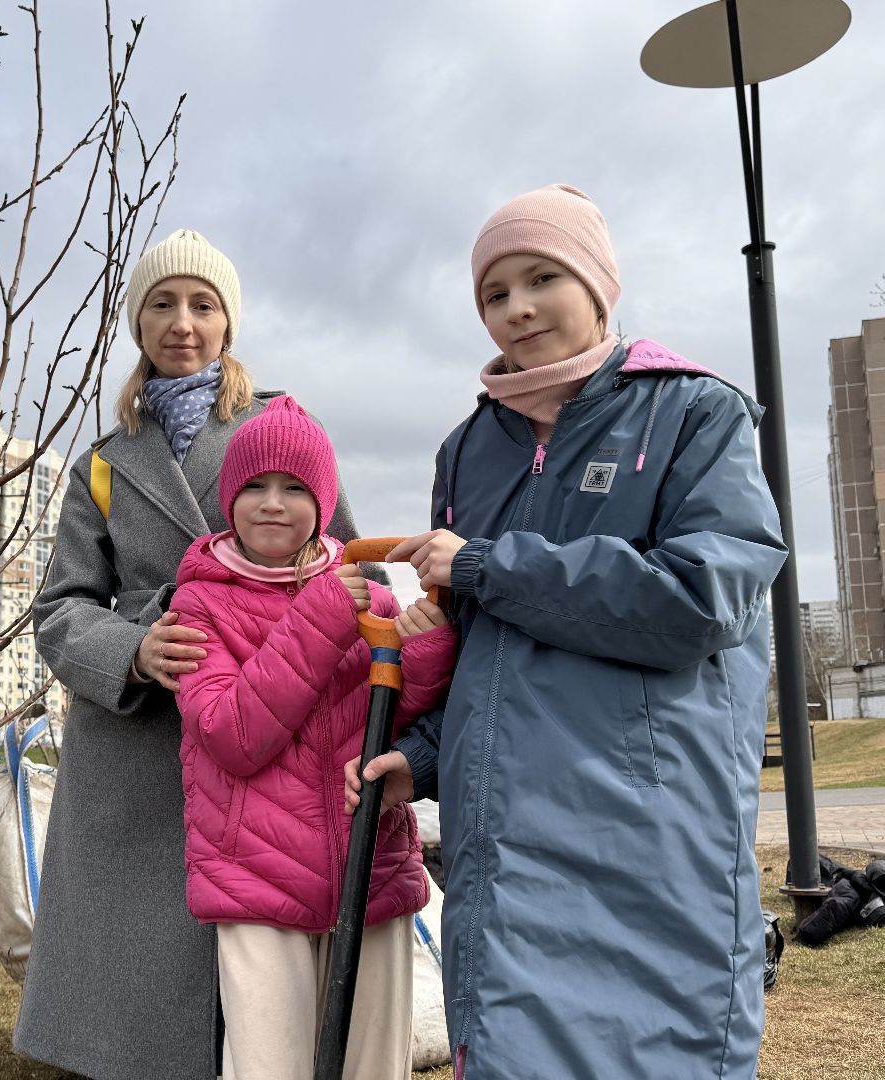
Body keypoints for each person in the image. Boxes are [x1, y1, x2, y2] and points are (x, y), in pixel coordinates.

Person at [349, 184, 788, 1079]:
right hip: (505, 847)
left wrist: (488, 564)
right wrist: (426, 752)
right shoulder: (467, 450)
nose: (515, 307)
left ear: (597, 283)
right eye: (493, 292)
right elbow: (488, 648)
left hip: (651, 836)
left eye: (541, 276)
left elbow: (704, 599)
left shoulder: (693, 413)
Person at [14, 229, 381, 1080]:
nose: (183, 324)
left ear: (229, 323)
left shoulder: (284, 430)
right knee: (142, 992)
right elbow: (61, 610)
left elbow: (345, 562)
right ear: (138, 324)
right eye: (162, 305)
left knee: (262, 989)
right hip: (138, 747)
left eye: (203, 305)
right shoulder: (102, 466)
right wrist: (135, 650)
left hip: (267, 722)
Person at [170, 397, 456, 1080]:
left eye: (296, 488)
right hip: (257, 881)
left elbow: (386, 718)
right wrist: (323, 612)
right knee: (270, 1065)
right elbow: (233, 735)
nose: (274, 504)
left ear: (323, 502)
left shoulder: (371, 596)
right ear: (229, 497)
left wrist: (428, 652)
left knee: (372, 1066)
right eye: (256, 487)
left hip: (370, 862)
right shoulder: (200, 603)